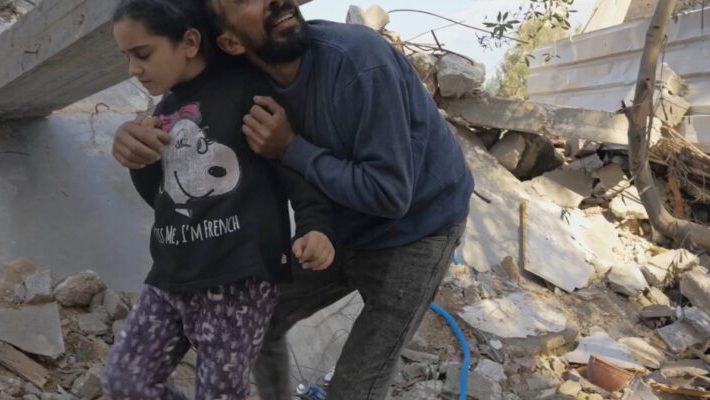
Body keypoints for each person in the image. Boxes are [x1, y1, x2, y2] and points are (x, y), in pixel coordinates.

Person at [114, 0, 475, 398]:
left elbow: (390, 194)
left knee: (356, 386)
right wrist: (137, 146)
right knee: (260, 325)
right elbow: (186, 103)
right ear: (230, 43)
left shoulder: (359, 60)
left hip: (417, 228)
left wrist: (289, 148)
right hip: (335, 222)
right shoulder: (241, 82)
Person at [102, 0, 336, 398]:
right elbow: (164, 199)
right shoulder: (165, 111)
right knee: (126, 380)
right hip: (171, 277)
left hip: (238, 283)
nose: (133, 69)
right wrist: (141, 161)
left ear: (190, 42)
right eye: (126, 57)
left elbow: (289, 163)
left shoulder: (246, 89)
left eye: (142, 54)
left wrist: (316, 226)